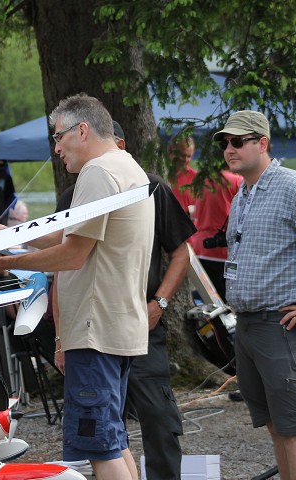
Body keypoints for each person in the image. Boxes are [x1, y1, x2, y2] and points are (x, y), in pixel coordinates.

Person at [0, 94, 155, 480]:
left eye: (59, 137)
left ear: (83, 130)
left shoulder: (96, 172)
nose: (56, 148)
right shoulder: (127, 167)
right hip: (118, 326)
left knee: (101, 448)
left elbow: (71, 255)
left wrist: (4, 260)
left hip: (95, 331)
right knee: (114, 441)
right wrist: (12, 234)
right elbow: (69, 234)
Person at [55, 121, 196, 479]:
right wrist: (61, 336)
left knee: (157, 416)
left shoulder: (149, 186)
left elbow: (182, 253)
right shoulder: (73, 197)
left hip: (138, 319)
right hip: (91, 327)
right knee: (108, 432)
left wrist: (159, 303)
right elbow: (64, 267)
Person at [217, 110, 296, 480]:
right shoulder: (243, 193)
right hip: (250, 325)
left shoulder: (295, 186)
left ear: (262, 143)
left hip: (283, 325)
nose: (229, 149)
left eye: (238, 142)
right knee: (275, 425)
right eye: (225, 143)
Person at [189, 167, 242, 300]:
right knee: (229, 298)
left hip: (201, 249)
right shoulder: (237, 181)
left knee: (209, 297)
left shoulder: (201, 181)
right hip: (226, 254)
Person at [169, 136, 197, 216]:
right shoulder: (159, 173)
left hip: (186, 225)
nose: (185, 160)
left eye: (189, 156)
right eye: (182, 155)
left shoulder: (195, 178)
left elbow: (202, 208)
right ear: (171, 151)